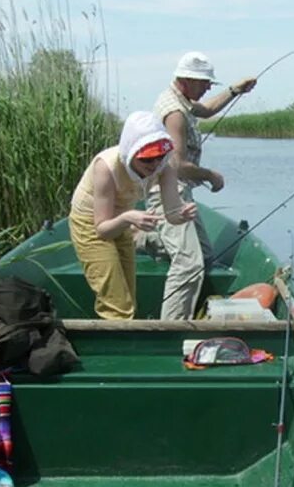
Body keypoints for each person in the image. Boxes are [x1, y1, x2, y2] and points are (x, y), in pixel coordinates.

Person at [141, 51, 257, 320]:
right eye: (205, 83)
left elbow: (206, 110)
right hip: (168, 193)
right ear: (186, 80)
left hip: (180, 191)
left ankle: (148, 237)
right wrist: (210, 175)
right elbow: (178, 164)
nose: (207, 88)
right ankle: (171, 328)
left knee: (204, 256)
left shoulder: (183, 100)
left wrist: (234, 91)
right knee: (189, 264)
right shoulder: (175, 113)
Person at [69, 111, 197, 320]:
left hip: (123, 218)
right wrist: (128, 218)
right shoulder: (106, 167)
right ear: (132, 153)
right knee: (117, 304)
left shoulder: (166, 165)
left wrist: (182, 214)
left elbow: (172, 214)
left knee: (128, 295)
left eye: (159, 158)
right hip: (91, 223)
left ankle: (123, 339)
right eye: (147, 160)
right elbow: (101, 229)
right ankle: (116, 349)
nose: (154, 165)